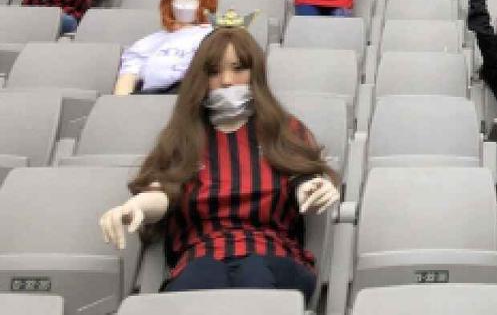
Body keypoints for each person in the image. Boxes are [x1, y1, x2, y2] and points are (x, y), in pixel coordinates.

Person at [98, 21, 339, 301]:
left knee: (253, 272)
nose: (227, 80)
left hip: (273, 251)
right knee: (203, 278)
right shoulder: (183, 135)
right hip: (201, 254)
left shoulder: (283, 129)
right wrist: (137, 206)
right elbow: (163, 192)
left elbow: (302, 177)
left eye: (238, 69)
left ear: (255, 74)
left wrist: (312, 186)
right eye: (214, 72)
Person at [114, 0, 218, 95]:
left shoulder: (215, 37)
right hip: (149, 100)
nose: (185, 0)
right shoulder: (149, 43)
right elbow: (125, 84)